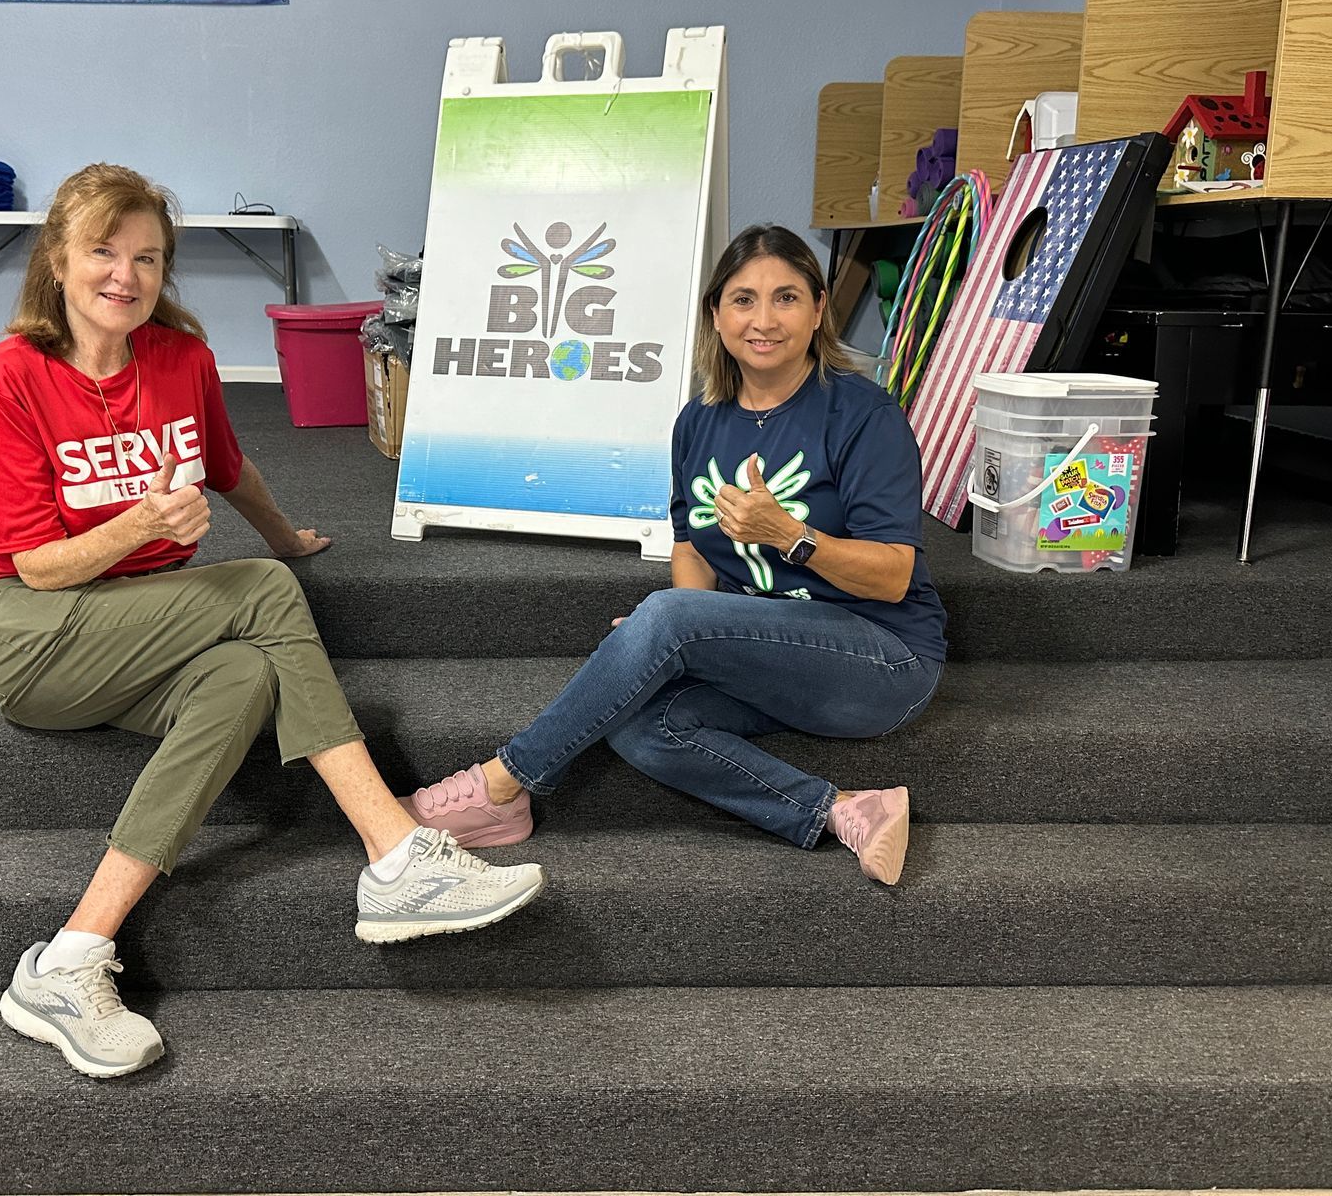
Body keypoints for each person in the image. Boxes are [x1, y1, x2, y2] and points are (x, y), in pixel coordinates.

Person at [0, 163, 544, 1079]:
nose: (126, 275)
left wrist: (286, 536)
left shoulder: (179, 359)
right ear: (58, 262)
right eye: (103, 252)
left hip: (134, 629)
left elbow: (227, 467)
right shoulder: (13, 376)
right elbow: (32, 563)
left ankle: (70, 957)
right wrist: (145, 524)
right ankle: (395, 853)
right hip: (29, 631)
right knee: (266, 596)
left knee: (247, 673)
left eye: (147, 257)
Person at [403, 223, 947, 885]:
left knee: (665, 618)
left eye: (786, 298)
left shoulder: (864, 415)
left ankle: (502, 780)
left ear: (818, 308)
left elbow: (894, 578)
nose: (764, 319)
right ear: (716, 315)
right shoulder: (699, 419)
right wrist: (696, 626)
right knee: (642, 724)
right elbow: (691, 545)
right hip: (781, 658)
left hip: (881, 659)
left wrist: (786, 536)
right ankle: (842, 810)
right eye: (744, 300)